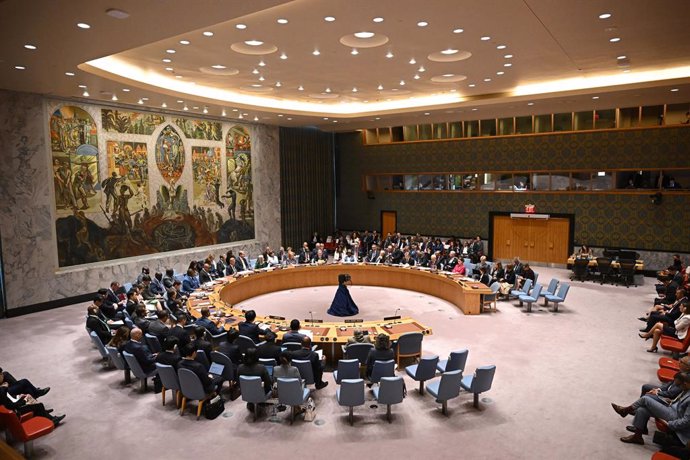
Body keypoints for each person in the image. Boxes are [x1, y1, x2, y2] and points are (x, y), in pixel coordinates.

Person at [611, 372, 690, 445]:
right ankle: (637, 437)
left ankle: (625, 411)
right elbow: (680, 403)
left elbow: (686, 420)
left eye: (678, 386)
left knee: (645, 399)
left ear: (685, 384)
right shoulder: (686, 389)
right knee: (642, 410)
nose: (678, 388)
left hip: (674, 416)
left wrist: (670, 424)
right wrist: (672, 401)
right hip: (671, 407)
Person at [0, 385, 66, 427]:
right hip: (16, 413)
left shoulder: (2, 392)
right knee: (38, 406)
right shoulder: (2, 393)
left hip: (12, 409)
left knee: (28, 397)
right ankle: (52, 420)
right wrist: (23, 401)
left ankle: (46, 415)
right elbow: (12, 406)